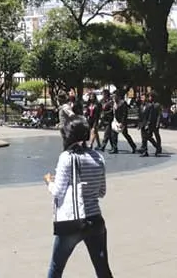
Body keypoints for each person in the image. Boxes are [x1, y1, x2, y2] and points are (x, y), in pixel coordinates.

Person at [44, 115, 113, 278]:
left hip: (72, 222)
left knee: (56, 268)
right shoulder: (98, 157)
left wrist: (48, 182)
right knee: (103, 270)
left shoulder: (66, 157)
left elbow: (58, 191)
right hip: (95, 219)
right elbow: (102, 192)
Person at [138, 91, 161, 157]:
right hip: (143, 124)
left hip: (151, 124)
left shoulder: (152, 105)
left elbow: (154, 115)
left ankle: (157, 146)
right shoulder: (142, 106)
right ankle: (145, 151)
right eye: (141, 97)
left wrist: (155, 123)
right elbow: (140, 116)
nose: (142, 98)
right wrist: (139, 124)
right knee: (145, 137)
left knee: (149, 137)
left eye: (143, 97)